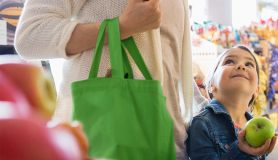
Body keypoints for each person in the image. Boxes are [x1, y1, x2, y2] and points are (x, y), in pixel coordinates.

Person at [14, 0, 208, 159]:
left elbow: (170, 63)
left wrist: (205, 105)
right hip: (103, 141)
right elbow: (29, 36)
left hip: (171, 143)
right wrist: (120, 27)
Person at [187, 45, 278, 160]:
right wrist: (240, 150)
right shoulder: (201, 124)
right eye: (229, 61)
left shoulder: (257, 126)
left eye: (249, 64)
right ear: (211, 85)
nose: (241, 66)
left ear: (256, 91)